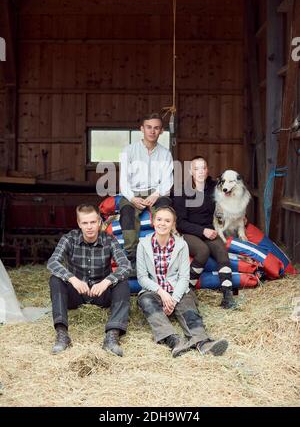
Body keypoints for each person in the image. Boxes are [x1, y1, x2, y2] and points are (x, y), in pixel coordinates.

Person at [136, 206, 228, 357]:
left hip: (177, 291)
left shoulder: (181, 245)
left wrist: (173, 299)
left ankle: (203, 343)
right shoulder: (143, 245)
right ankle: (174, 341)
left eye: (167, 221)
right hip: (154, 292)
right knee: (146, 301)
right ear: (153, 222)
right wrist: (162, 293)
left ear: (173, 224)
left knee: (189, 307)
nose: (162, 223)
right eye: (159, 219)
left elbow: (184, 278)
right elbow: (142, 277)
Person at [47, 204, 131, 356]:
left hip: (101, 293)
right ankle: (62, 334)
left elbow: (126, 265)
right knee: (55, 279)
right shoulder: (69, 238)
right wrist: (72, 279)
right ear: (79, 223)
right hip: (76, 293)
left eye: (93, 222)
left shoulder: (109, 240)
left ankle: (112, 336)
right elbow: (52, 262)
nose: (89, 227)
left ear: (99, 221)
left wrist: (107, 281)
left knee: (123, 283)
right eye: (85, 223)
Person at [172, 156, 236, 309]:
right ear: (190, 171)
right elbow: (180, 223)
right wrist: (202, 231)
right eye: (196, 168)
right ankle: (189, 287)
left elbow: (233, 191)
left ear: (207, 170)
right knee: (203, 251)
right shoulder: (181, 191)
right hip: (189, 231)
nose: (201, 172)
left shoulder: (214, 187)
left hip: (210, 229)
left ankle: (227, 294)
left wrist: (240, 214)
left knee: (221, 250)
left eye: (203, 168)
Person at [119, 113, 173, 272]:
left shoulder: (165, 154)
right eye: (149, 127)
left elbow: (167, 181)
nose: (152, 131)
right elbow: (123, 180)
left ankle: (162, 252)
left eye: (156, 128)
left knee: (165, 212)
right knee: (127, 213)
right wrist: (132, 197)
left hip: (157, 193)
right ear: (141, 129)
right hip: (133, 192)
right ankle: (132, 257)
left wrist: (156, 195)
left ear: (161, 131)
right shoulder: (129, 150)